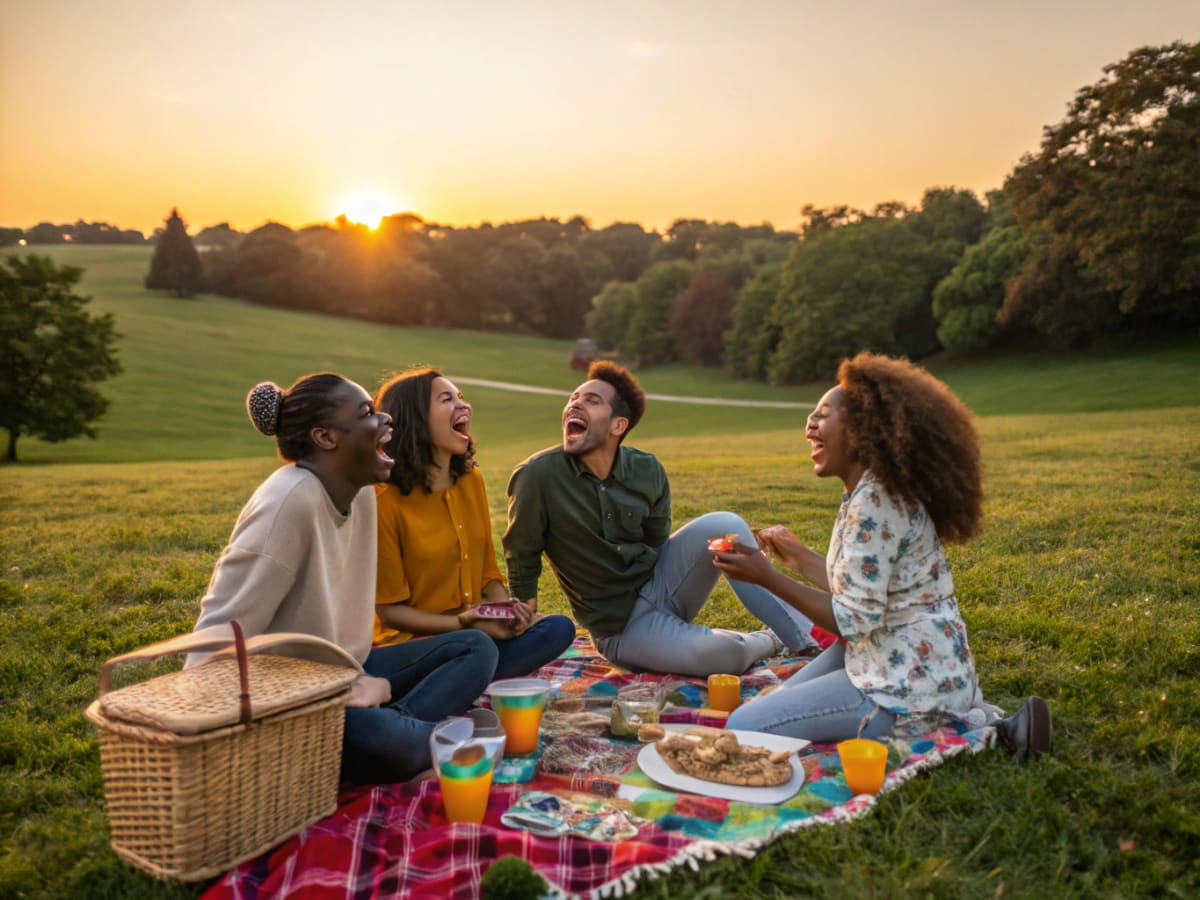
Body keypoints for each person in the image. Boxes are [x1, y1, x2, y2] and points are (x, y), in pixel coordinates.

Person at [713, 352, 1051, 759]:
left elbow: (853, 619)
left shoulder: (874, 502)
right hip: (902, 655)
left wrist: (767, 577)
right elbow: (865, 592)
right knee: (778, 698)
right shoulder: (870, 491)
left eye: (822, 416)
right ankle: (953, 709)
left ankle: (975, 731)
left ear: (861, 431)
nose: (809, 425)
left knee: (746, 727)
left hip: (902, 681)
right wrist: (800, 558)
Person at [190, 373, 499, 784]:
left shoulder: (362, 494)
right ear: (326, 437)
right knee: (379, 734)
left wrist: (370, 685)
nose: (386, 420)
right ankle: (409, 742)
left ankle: (408, 740)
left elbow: (348, 644)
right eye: (367, 413)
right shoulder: (289, 503)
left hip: (347, 676)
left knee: (475, 646)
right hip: (288, 706)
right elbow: (215, 638)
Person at [503, 360, 820, 678]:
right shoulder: (537, 476)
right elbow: (522, 556)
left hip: (661, 586)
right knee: (726, 655)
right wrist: (523, 619)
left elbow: (658, 543)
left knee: (727, 525)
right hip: (620, 629)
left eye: (592, 400)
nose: (575, 404)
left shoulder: (647, 469)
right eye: (574, 398)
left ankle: (808, 644)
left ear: (618, 426)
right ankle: (769, 639)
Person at [372, 367, 575, 679]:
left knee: (557, 628)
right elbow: (389, 612)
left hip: (474, 632)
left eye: (461, 397)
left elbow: (487, 574)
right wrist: (466, 621)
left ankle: (465, 679)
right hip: (410, 644)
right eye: (446, 399)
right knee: (477, 646)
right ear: (414, 418)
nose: (463, 406)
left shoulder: (470, 479)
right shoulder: (382, 498)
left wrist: (504, 612)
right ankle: (459, 678)